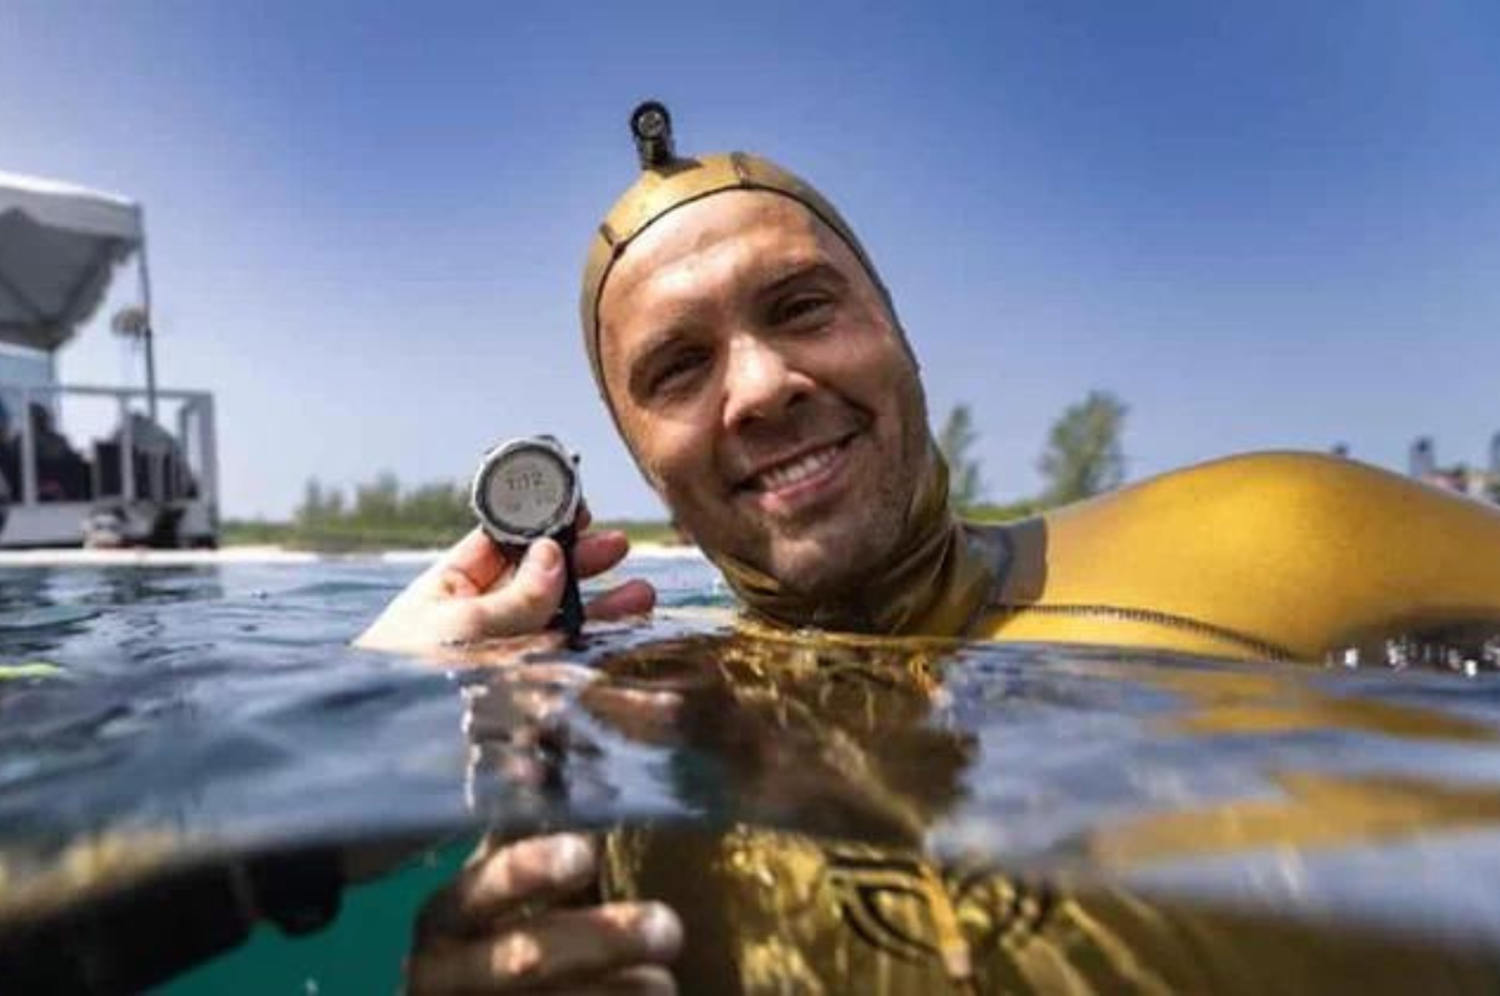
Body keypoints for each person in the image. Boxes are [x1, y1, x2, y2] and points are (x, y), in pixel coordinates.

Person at [359, 104, 1500, 994]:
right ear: (639, 458)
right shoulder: (613, 776)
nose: (759, 388)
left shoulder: (1289, 531)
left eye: (803, 307)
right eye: (678, 370)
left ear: (898, 333)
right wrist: (368, 703)